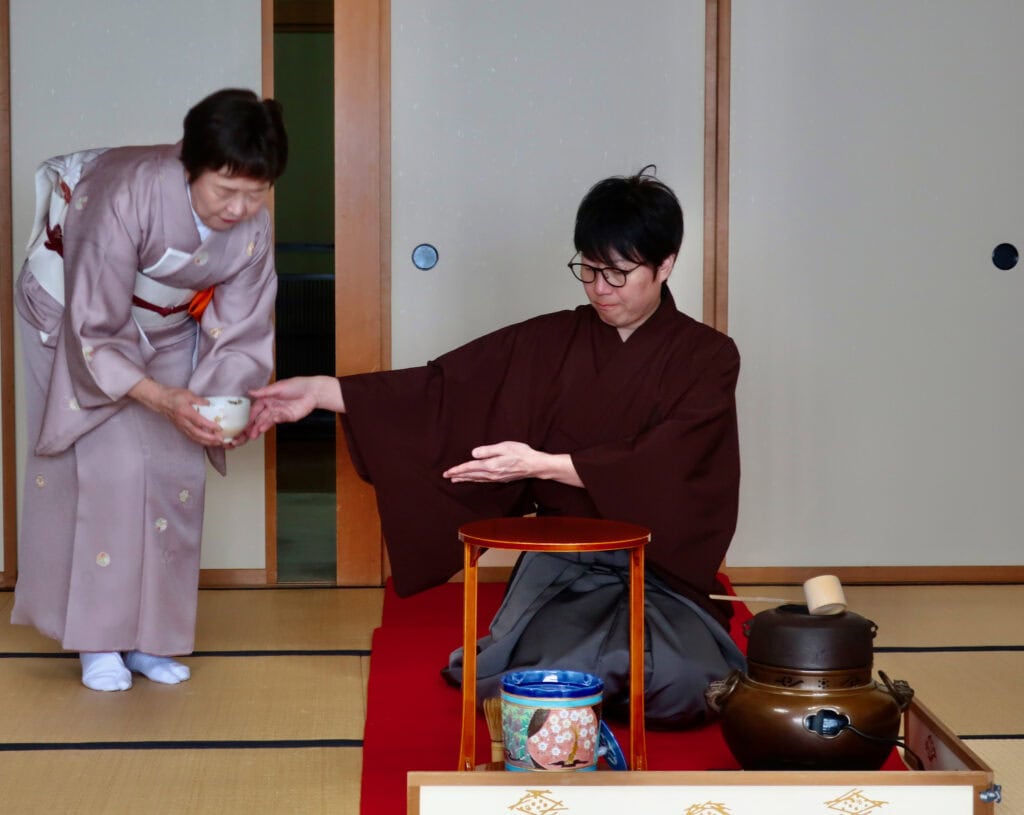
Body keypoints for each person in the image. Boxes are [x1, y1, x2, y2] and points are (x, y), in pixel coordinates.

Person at [246, 167, 744, 727]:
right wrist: (323, 391)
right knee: (546, 677)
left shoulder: (709, 356)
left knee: (680, 687)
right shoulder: (553, 339)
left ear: (666, 265)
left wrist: (545, 465)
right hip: (566, 567)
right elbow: (445, 389)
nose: (600, 288)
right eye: (589, 269)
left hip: (660, 572)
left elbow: (672, 459)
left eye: (619, 274)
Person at [12, 88, 288, 692]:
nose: (241, 208)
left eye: (256, 192)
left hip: (164, 326)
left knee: (174, 467)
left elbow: (243, 331)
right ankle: (97, 640)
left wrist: (221, 411)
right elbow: (95, 323)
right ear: (189, 163)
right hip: (70, 315)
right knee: (107, 471)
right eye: (226, 190)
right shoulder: (126, 191)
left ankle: (150, 638)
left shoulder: (251, 232)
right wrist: (161, 397)